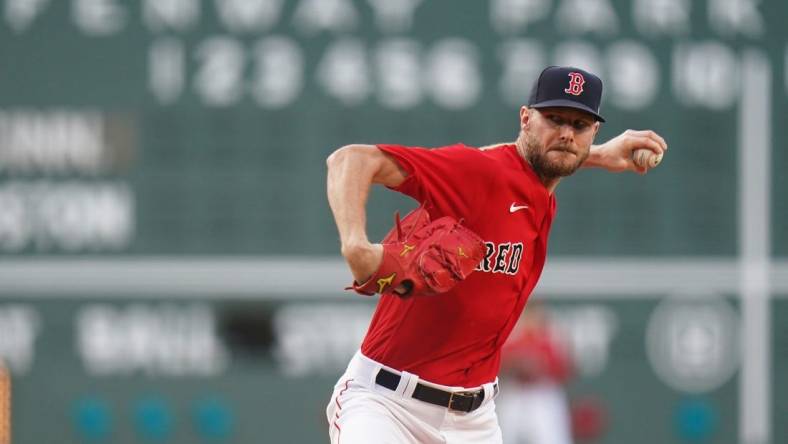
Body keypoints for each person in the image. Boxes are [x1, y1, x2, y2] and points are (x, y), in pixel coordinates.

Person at [324, 66, 667, 444]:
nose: (567, 133)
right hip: (387, 406)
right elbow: (350, 159)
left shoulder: (538, 191)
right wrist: (355, 246)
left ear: (594, 133)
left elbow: (543, 161)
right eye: (553, 118)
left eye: (580, 125)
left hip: (475, 422)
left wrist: (598, 156)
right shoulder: (478, 173)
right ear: (525, 118)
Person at [497, 301, 574, 444]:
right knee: (503, 437)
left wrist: (540, 365)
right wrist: (516, 363)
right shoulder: (510, 334)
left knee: (550, 438)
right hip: (513, 391)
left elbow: (565, 368)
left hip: (542, 393)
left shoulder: (552, 335)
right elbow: (497, 364)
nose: (532, 317)